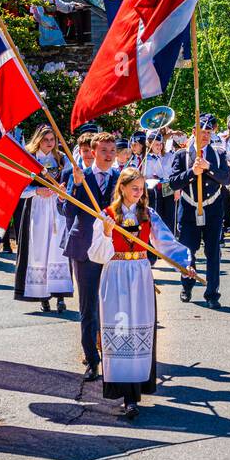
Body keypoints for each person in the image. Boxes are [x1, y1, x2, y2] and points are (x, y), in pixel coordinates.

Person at [87, 166, 197, 419]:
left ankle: (133, 395)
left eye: (141, 189)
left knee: (139, 330)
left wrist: (185, 264)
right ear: (122, 188)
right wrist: (106, 232)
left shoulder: (148, 215)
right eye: (134, 188)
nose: (138, 193)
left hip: (139, 274)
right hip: (114, 273)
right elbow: (96, 255)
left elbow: (166, 243)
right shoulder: (106, 215)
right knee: (119, 328)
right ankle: (121, 391)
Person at [61, 131, 121, 380]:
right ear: (92, 152)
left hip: (112, 250)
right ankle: (91, 360)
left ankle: (114, 356)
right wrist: (75, 186)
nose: (108, 156)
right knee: (88, 308)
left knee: (113, 306)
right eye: (103, 151)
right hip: (84, 248)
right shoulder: (80, 177)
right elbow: (67, 211)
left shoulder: (120, 178)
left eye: (112, 151)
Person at [168, 114, 230, 308]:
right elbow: (173, 182)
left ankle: (212, 294)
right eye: (201, 131)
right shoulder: (182, 155)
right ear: (193, 131)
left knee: (213, 253)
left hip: (212, 208)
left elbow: (227, 179)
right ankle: (187, 285)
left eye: (208, 132)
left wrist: (208, 167)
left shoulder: (218, 154)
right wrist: (191, 172)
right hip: (189, 208)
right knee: (188, 252)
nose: (205, 136)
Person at [14, 125, 74, 313]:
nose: (49, 143)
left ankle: (61, 296)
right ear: (38, 139)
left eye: (52, 140)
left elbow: (72, 183)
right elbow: (18, 189)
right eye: (46, 140)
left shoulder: (62, 159)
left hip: (57, 209)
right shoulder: (29, 158)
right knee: (39, 250)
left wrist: (65, 192)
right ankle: (42, 296)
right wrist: (37, 191)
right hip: (37, 208)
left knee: (58, 250)